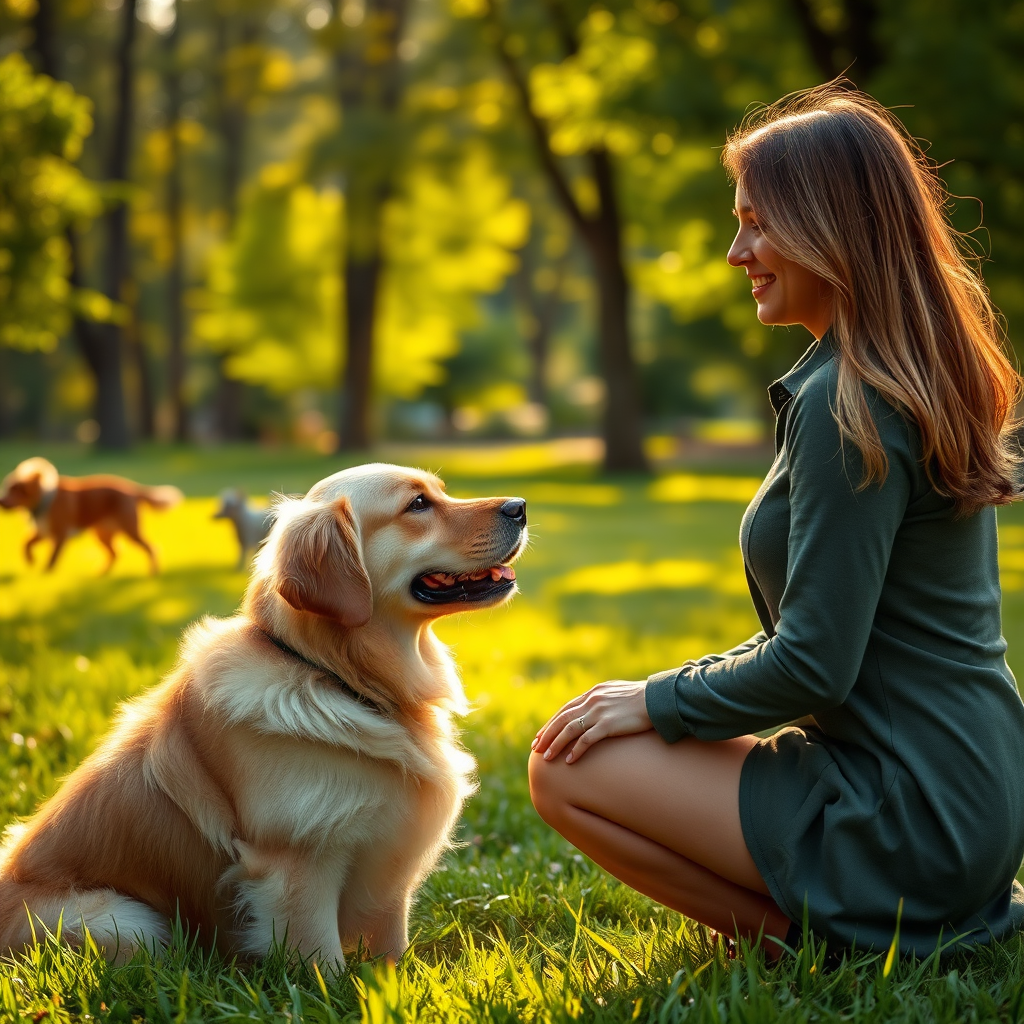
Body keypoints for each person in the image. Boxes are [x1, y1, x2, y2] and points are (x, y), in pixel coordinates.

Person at [528, 81, 1024, 958]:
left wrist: (656, 698)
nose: (735, 251)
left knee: (566, 770)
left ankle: (820, 941)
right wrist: (669, 697)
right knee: (600, 745)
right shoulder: (890, 379)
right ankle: (877, 922)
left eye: (756, 222)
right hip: (966, 793)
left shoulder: (853, 406)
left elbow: (814, 665)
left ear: (826, 227)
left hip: (911, 812)